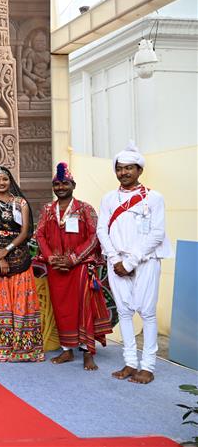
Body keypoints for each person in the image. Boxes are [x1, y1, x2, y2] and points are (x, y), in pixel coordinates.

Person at [97, 141, 170, 384]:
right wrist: (115, 258)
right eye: (119, 168)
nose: (123, 172)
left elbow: (157, 233)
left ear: (139, 170)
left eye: (129, 168)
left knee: (147, 313)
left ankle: (147, 366)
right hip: (116, 260)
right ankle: (130, 362)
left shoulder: (154, 198)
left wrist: (130, 262)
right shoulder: (109, 198)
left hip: (145, 260)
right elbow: (102, 230)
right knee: (125, 312)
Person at [35, 163, 112, 371]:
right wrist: (50, 257)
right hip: (55, 268)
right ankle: (67, 349)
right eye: (57, 184)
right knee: (62, 310)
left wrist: (73, 258)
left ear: (73, 185)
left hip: (79, 267)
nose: (60, 187)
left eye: (65, 183)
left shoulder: (85, 208)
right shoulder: (47, 210)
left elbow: (94, 236)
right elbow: (39, 235)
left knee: (83, 309)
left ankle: (87, 352)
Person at [0, 166, 44, 362]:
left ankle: (22, 347)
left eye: (5, 179)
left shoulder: (20, 202)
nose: (1, 183)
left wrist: (6, 251)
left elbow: (25, 231)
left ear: (10, 181)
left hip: (19, 255)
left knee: (20, 301)